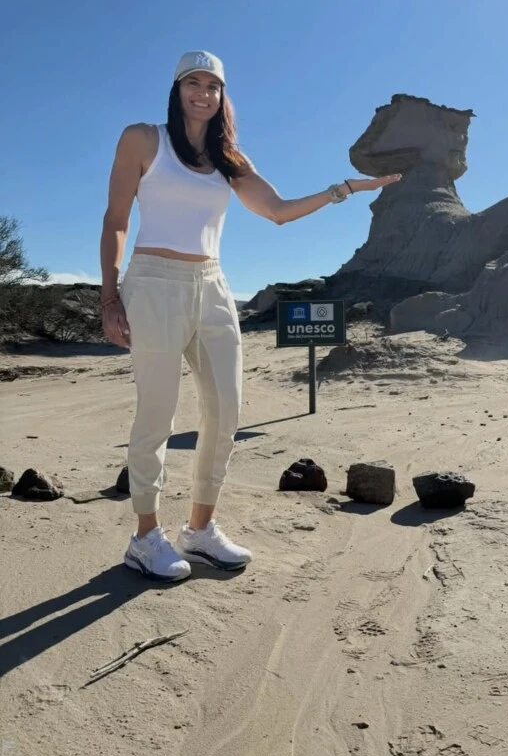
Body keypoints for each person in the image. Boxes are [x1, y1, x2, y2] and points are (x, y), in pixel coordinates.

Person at [100, 50, 400, 582]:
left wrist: (346, 189)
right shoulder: (144, 139)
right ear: (177, 89)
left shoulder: (228, 159)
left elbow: (278, 212)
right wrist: (110, 296)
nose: (202, 92)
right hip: (152, 281)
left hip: (213, 285)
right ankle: (145, 536)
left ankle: (199, 529)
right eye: (192, 82)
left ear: (222, 96)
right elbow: (117, 219)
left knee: (227, 410)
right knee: (158, 413)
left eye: (212, 85)